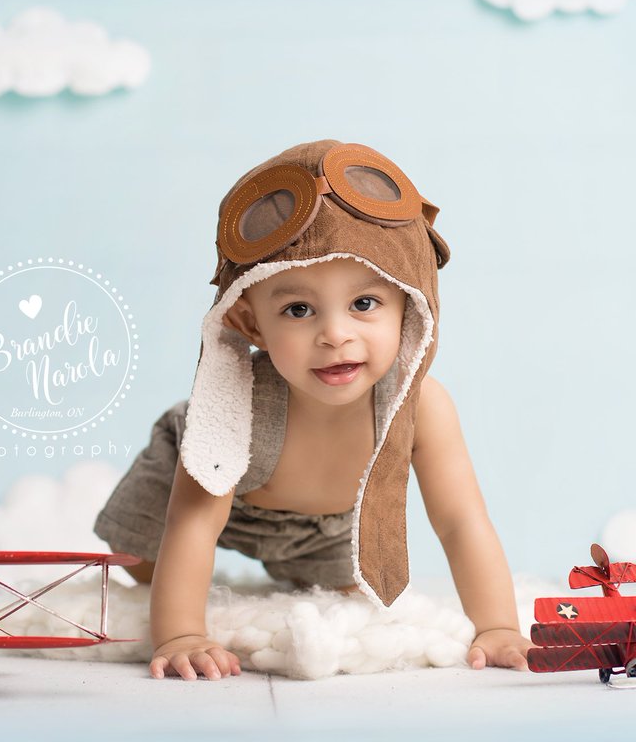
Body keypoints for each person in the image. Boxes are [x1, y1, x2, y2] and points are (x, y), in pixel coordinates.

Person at [94, 140, 535, 681]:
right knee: (140, 568)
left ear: (409, 308)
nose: (334, 335)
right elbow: (193, 522)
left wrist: (497, 626)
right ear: (252, 325)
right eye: (298, 309)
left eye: (364, 303)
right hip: (202, 487)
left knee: (344, 598)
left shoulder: (424, 405)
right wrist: (182, 633)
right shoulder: (235, 403)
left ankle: (298, 563)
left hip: (324, 526)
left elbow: (461, 522)